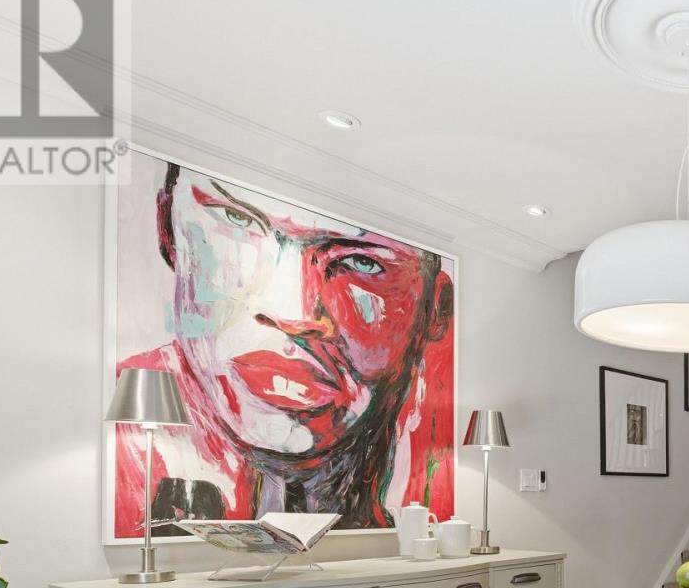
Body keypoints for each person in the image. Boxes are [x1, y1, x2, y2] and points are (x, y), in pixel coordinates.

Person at [112, 161, 455, 538]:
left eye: (362, 262)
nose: (294, 315)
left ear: (434, 309)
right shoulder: (128, 436)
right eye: (237, 219)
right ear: (167, 228)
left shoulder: (431, 450)